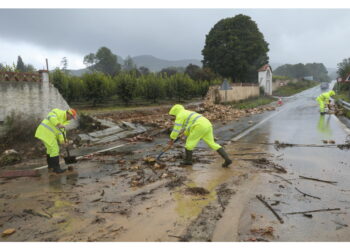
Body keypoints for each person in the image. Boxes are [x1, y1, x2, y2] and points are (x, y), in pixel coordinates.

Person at [168, 104, 232, 168]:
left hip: (199, 126)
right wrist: (184, 134)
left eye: (173, 115)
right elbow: (189, 126)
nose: (174, 117)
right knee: (212, 143)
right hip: (207, 124)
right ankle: (227, 159)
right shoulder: (188, 112)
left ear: (175, 112)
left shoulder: (180, 115)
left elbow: (176, 129)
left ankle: (188, 161)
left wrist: (172, 139)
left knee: (189, 144)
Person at [35, 108, 77, 173]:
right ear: (68, 114)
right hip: (45, 131)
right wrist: (57, 123)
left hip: (47, 133)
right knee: (55, 149)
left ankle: (51, 166)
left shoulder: (65, 122)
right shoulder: (58, 112)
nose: (71, 119)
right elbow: (50, 116)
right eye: (71, 117)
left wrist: (63, 141)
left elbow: (61, 132)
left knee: (50, 150)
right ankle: (56, 169)